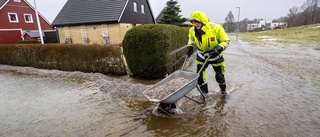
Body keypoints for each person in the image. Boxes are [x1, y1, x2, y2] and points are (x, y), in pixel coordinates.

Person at [186, 11, 230, 98]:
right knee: (199, 77)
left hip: (216, 55)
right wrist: (190, 46)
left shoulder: (216, 28)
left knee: (220, 77)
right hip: (202, 55)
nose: (195, 24)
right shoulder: (192, 30)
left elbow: (226, 41)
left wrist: (219, 48)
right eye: (193, 22)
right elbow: (191, 39)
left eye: (197, 22)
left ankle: (223, 91)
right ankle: (204, 93)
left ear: (202, 21)